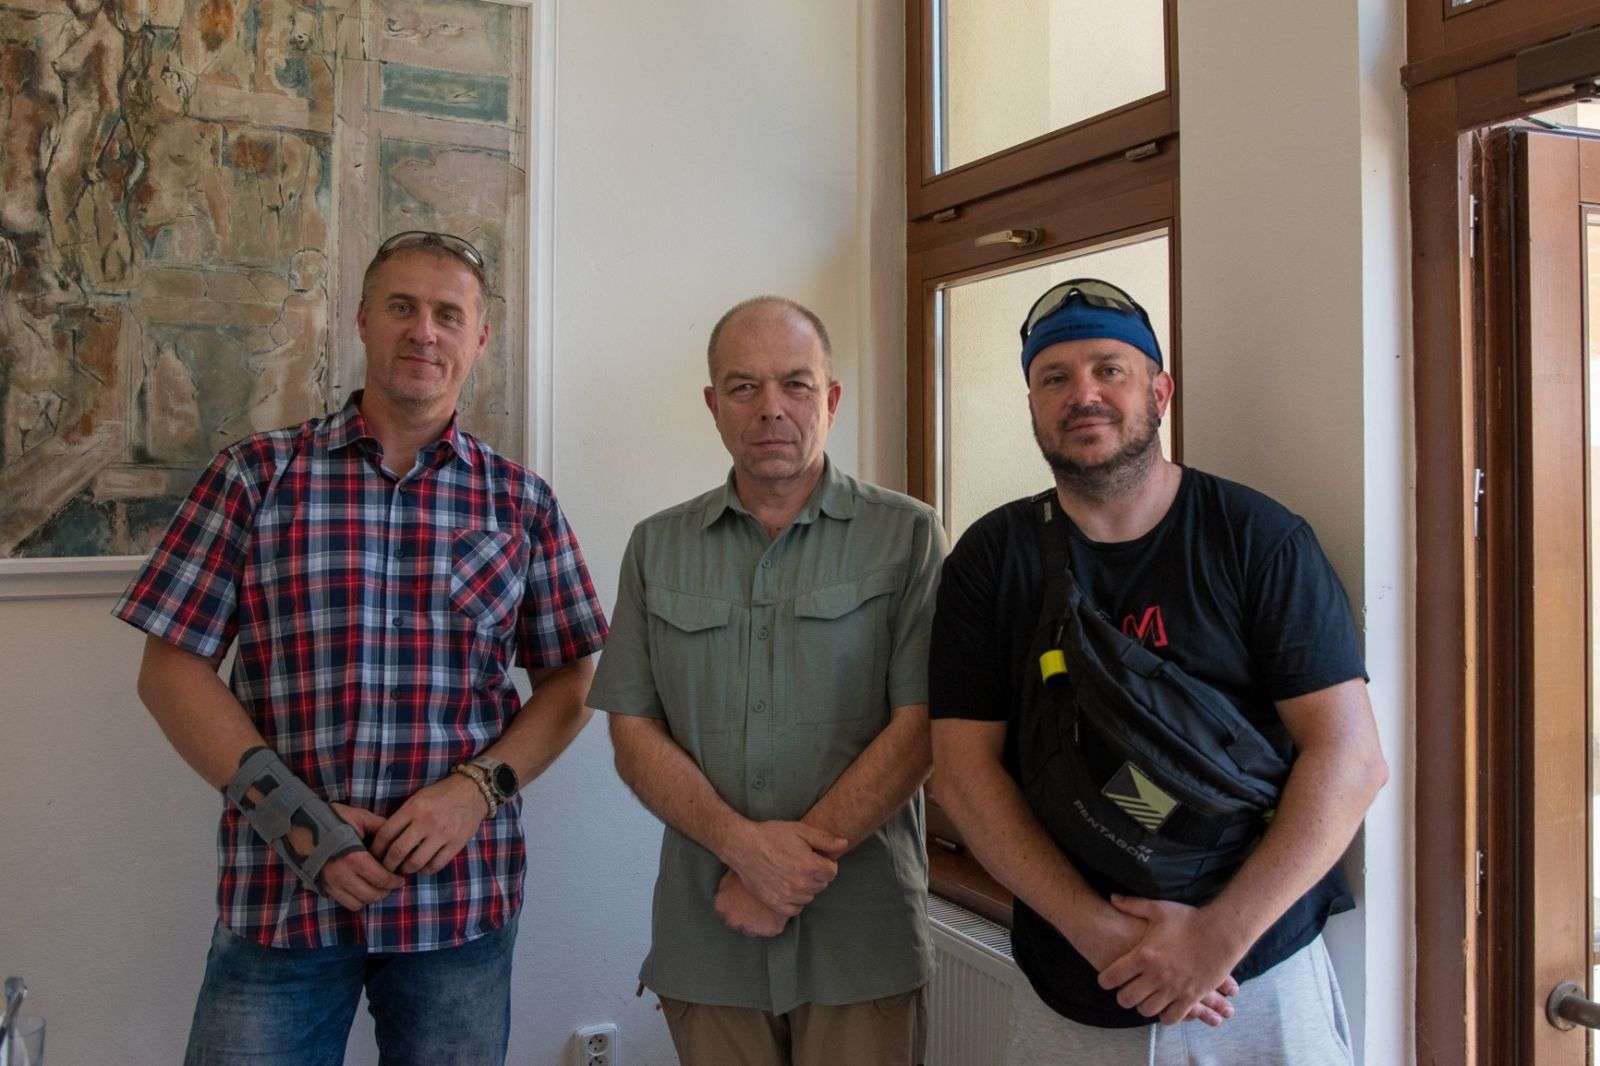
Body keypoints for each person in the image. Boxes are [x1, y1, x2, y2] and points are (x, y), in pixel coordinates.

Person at [114, 230, 609, 1065]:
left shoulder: (520, 503)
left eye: (449, 315)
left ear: (479, 339)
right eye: (402, 308)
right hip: (283, 898)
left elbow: (571, 682)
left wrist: (476, 791)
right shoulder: (254, 477)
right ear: (362, 321)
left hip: (458, 905)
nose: (425, 332)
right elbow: (171, 671)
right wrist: (295, 818)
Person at [929, 279, 1388, 1062]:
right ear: (1033, 404)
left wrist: (1216, 938)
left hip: (1258, 976)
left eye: (1110, 369)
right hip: (1077, 977)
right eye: (1055, 377)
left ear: (1160, 391)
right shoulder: (992, 558)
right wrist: (1095, 930)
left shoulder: (1256, 539)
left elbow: (1350, 757)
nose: (1084, 395)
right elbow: (963, 771)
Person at [588, 296, 945, 1066]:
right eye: (744, 387)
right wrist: (742, 850)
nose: (771, 408)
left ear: (832, 399)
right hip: (707, 938)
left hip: (862, 940)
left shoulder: (909, 535)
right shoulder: (656, 547)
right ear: (713, 404)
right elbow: (632, 730)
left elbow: (921, 729)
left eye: (796, 384)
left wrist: (781, 875)